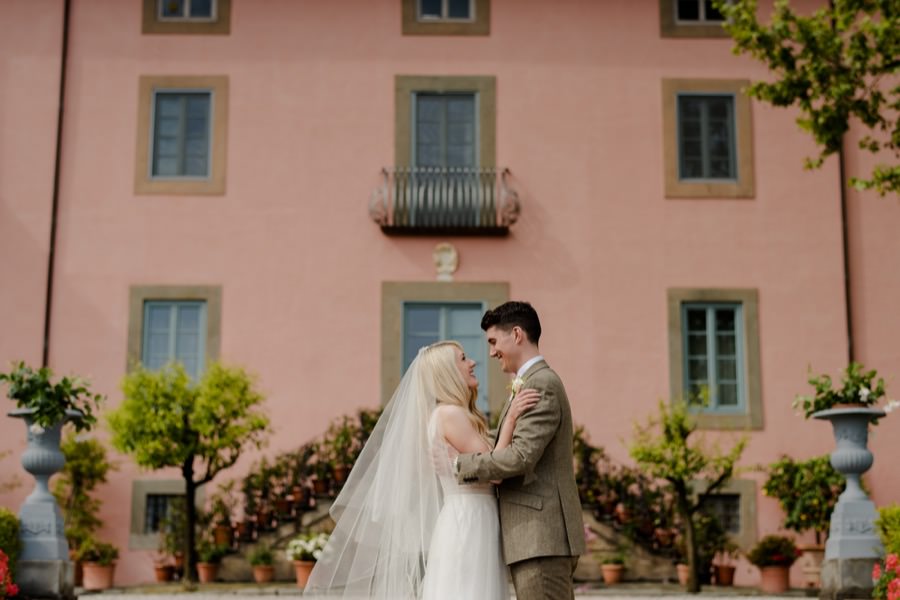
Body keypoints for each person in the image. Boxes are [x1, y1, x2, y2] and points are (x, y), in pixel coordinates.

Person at [303, 340, 538, 599]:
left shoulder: (441, 414)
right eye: (463, 359)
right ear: (446, 372)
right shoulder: (451, 414)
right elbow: (494, 471)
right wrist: (512, 419)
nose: (472, 363)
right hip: (470, 521)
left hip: (466, 518)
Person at [455, 301, 585, 600]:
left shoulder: (542, 384)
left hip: (541, 537)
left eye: (493, 341)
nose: (491, 352)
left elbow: (521, 457)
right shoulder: (531, 382)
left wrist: (459, 465)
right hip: (534, 538)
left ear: (516, 334)